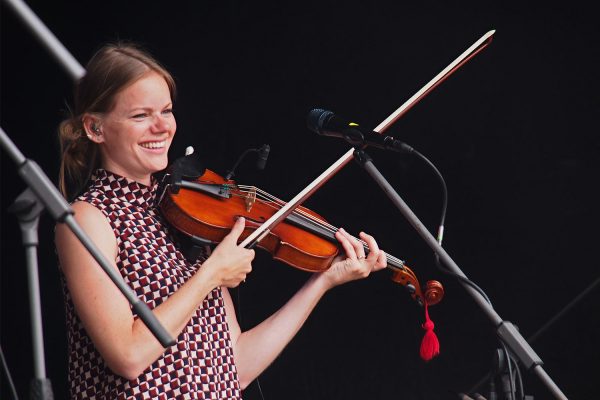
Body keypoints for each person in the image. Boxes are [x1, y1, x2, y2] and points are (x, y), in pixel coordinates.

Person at [55, 43, 387, 399]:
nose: (161, 126)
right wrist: (211, 274)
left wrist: (322, 282)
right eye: (140, 115)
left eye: (166, 111)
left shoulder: (185, 215)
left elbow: (237, 366)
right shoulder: (87, 219)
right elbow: (128, 356)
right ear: (95, 127)